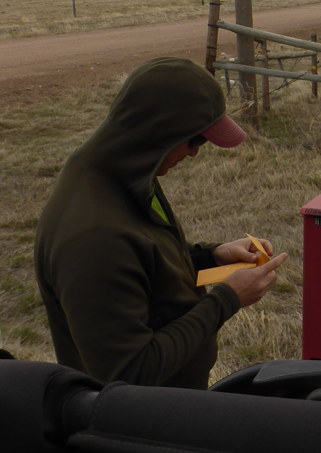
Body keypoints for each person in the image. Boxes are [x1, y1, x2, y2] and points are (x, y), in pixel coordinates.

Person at [34, 57, 288, 389]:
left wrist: (209, 257)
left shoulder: (123, 177)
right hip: (140, 430)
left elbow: (142, 268)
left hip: (167, 410)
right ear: (159, 134)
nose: (196, 153)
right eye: (196, 140)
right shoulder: (93, 238)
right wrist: (226, 299)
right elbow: (128, 374)